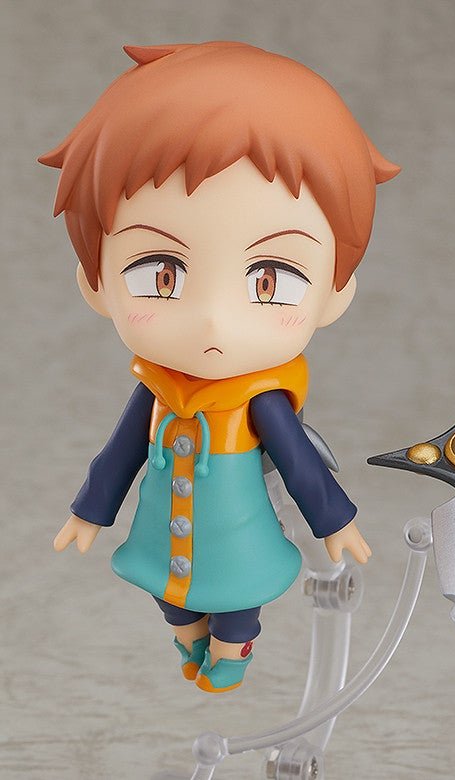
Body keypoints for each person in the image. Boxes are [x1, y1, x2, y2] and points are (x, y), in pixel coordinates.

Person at [39, 41, 399, 693]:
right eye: (162, 274)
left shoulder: (261, 400)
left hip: (238, 537)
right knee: (167, 592)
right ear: (96, 283)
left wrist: (335, 521)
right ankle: (188, 638)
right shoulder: (155, 390)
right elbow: (119, 454)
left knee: (238, 596)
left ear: (334, 293)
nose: (211, 320)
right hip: (159, 536)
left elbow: (300, 463)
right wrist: (90, 510)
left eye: (270, 279)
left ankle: (232, 652)